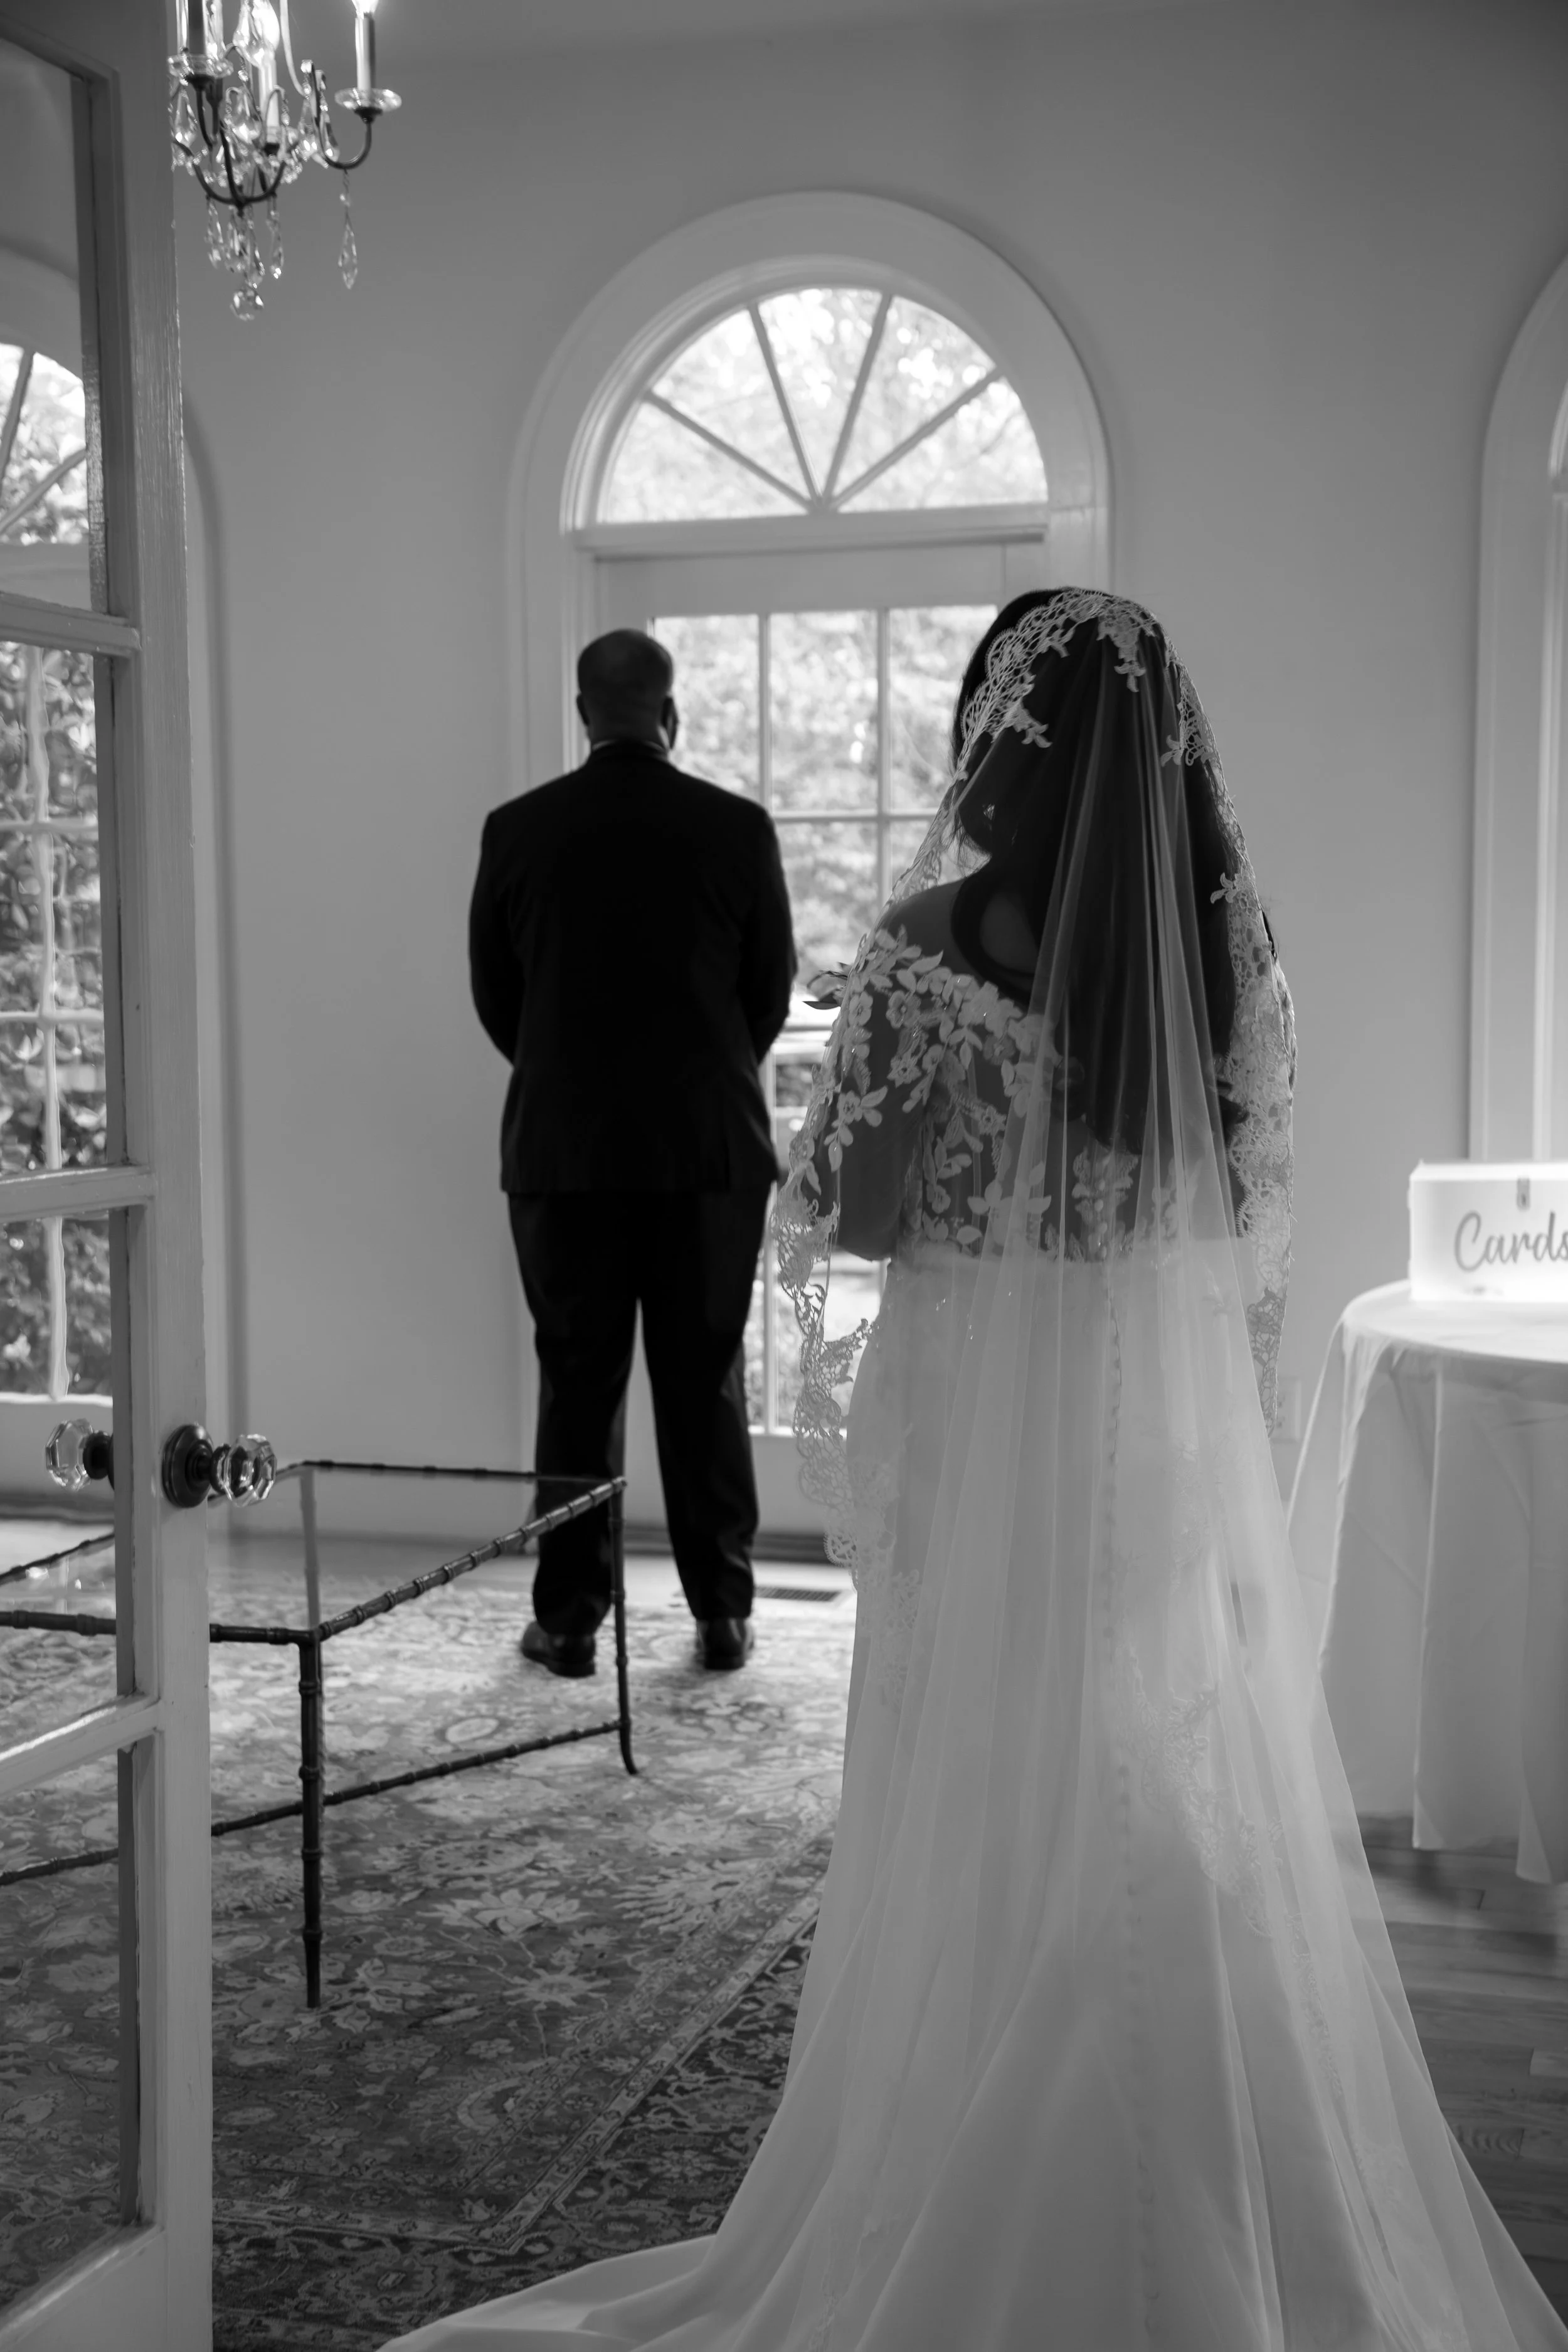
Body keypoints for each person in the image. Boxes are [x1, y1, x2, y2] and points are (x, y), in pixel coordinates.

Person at [395, 591, 1567, 2349]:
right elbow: (1238, 1214)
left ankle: (971, 2143)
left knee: (978, 1766)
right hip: (1148, 1445)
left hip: (983, 1430)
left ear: (993, 735)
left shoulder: (933, 945)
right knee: (1146, 1758)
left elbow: (848, 1206)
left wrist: (888, 1128)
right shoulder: (1220, 951)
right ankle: (1198, 2152)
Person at [468, 628, 795, 1677]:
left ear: (582, 713)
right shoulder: (738, 828)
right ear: (672, 715)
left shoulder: (517, 830)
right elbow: (768, 992)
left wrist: (574, 1079)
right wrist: (699, 1078)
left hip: (565, 1152)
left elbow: (497, 997)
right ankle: (723, 1613)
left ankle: (567, 1620)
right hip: (706, 1148)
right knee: (704, 1379)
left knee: (576, 1382)